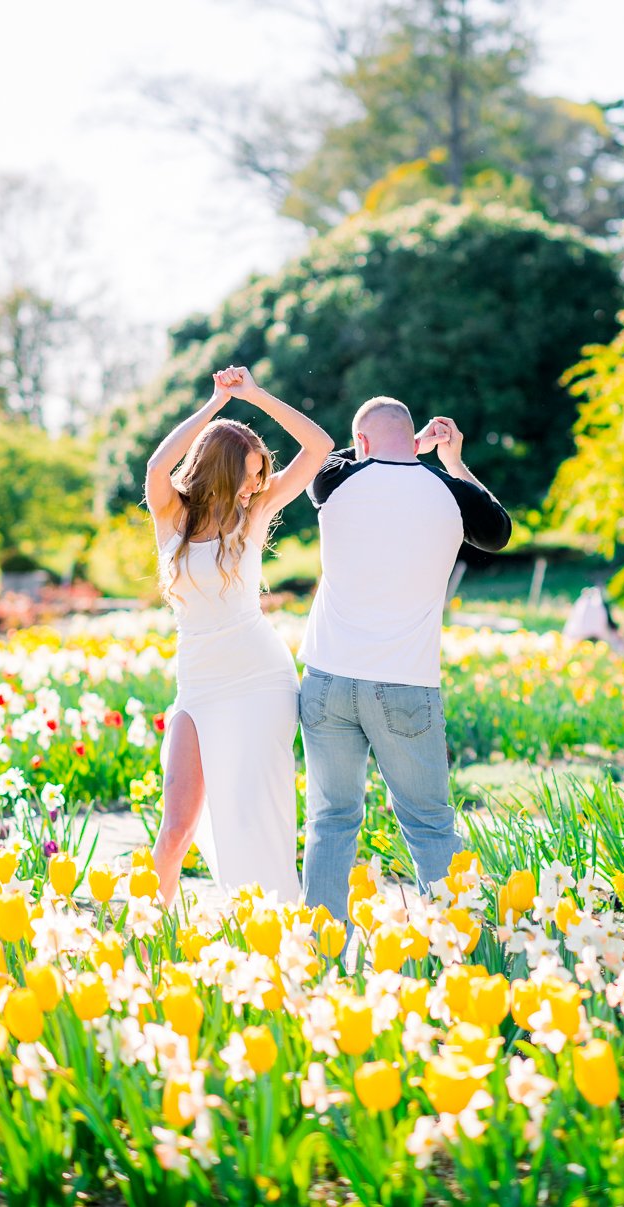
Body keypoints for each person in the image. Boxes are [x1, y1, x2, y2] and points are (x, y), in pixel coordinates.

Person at [298, 397, 512, 923]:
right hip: (406, 686)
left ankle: (321, 963)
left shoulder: (333, 483)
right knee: (429, 823)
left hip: (327, 681)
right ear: (415, 437)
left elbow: (331, 454)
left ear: (363, 443)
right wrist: (451, 461)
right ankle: (462, 951)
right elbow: (498, 532)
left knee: (331, 820)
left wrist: (401, 447)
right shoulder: (450, 492)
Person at [145, 365, 334, 906]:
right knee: (176, 824)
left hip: (259, 680)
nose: (256, 483)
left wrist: (254, 396)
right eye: (250, 472)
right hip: (198, 685)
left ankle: (274, 925)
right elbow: (160, 465)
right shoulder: (172, 516)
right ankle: (149, 935)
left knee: (256, 812)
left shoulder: (253, 514)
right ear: (223, 469)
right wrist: (214, 407)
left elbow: (318, 445)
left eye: (260, 474)